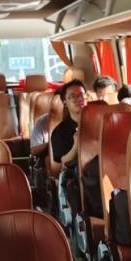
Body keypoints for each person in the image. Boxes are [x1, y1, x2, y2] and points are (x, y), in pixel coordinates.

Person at [50, 80, 87, 218]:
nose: (78, 99)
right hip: (77, 174)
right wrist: (76, 145)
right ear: (65, 102)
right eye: (72, 96)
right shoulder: (60, 132)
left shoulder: (101, 122)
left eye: (81, 95)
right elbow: (64, 162)